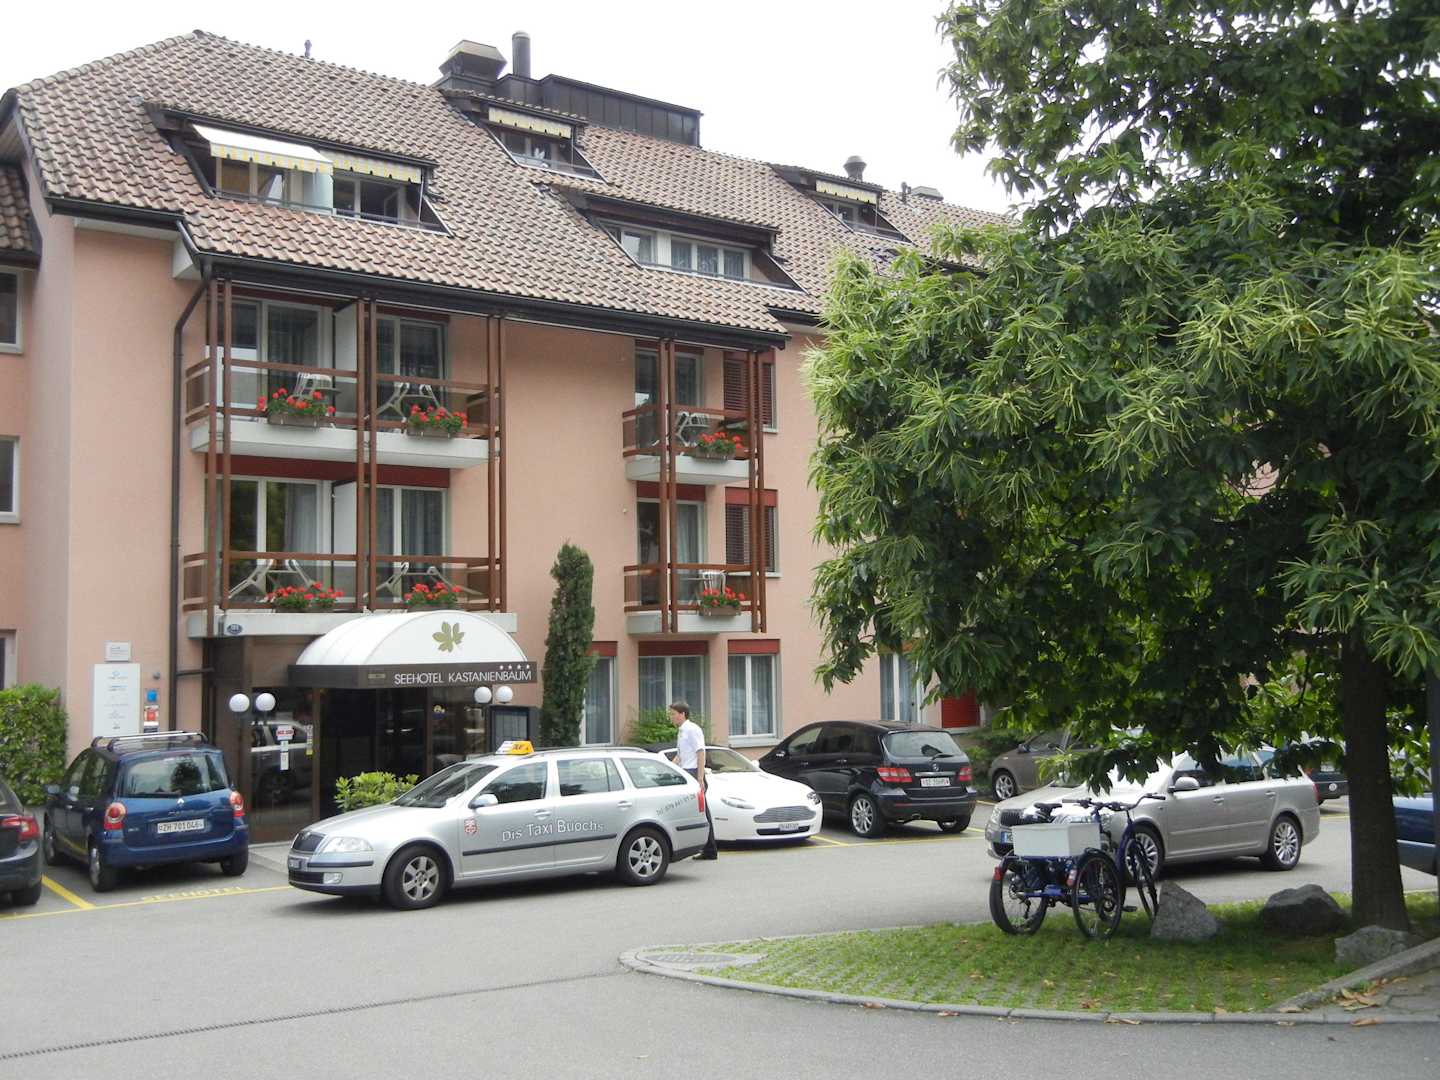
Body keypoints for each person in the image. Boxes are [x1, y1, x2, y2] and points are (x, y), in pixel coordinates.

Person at [670, 701, 717, 860]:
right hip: (686, 772)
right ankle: (706, 848)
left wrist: (700, 778)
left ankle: (710, 849)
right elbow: (680, 756)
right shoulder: (682, 731)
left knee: (702, 812)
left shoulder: (692, 729)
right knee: (697, 812)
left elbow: (700, 752)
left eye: (673, 714)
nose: (671, 717)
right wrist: (668, 768)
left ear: (682, 714)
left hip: (693, 773)